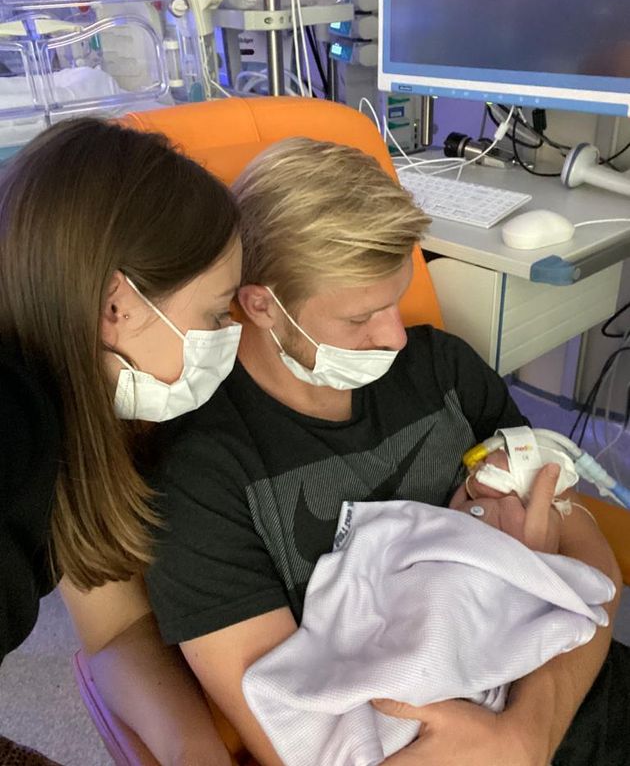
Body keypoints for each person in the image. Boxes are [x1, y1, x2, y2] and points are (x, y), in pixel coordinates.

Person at [143, 135, 628, 766]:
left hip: (574, 690)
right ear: (262, 305)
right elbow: (293, 725)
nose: (396, 336)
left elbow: (590, 561)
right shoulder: (201, 475)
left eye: (397, 298)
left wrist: (528, 734)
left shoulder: (443, 369)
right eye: (359, 319)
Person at [0, 117, 243, 766]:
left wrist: (194, 752)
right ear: (118, 305)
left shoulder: (66, 416)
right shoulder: (15, 438)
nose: (228, 334)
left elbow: (114, 625)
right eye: (216, 314)